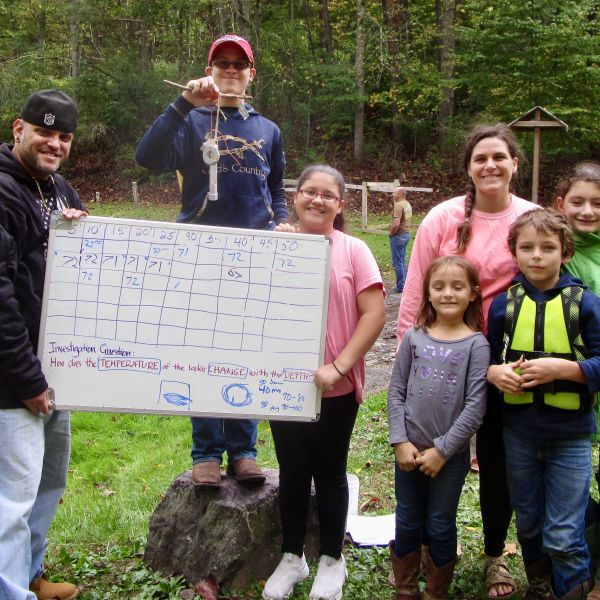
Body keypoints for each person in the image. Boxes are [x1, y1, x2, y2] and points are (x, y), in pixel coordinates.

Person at [135, 34, 289, 488]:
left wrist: (280, 223)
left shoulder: (267, 129)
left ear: (251, 74)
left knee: (245, 351)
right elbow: (147, 157)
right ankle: (205, 451)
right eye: (221, 63)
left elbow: (276, 187)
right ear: (209, 69)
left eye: (238, 65)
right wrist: (182, 103)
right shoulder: (191, 120)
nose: (229, 70)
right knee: (199, 351)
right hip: (199, 254)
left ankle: (243, 450)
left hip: (253, 256)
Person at [395, 123, 538, 598]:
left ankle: (495, 554)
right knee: (427, 455)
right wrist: (406, 352)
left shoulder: (530, 218)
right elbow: (417, 286)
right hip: (439, 359)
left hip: (504, 361)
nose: (490, 165)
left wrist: (510, 365)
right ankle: (415, 553)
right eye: (480, 158)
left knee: (497, 464)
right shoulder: (442, 218)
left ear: (515, 163)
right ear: (468, 168)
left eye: (499, 157)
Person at [262, 164, 386, 600]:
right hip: (283, 386)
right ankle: (292, 557)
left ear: (340, 203)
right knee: (292, 472)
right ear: (295, 197)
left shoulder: (353, 250)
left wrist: (339, 365)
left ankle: (333, 559)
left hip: (335, 386)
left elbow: (374, 314)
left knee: (330, 471)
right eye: (308, 192)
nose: (316, 200)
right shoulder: (276, 245)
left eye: (326, 195)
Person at [0, 89, 87, 600]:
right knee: (11, 497)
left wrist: (82, 233)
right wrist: (28, 378)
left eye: (64, 137)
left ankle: (29, 575)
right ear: (18, 130)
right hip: (15, 380)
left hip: (60, 370)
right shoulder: (4, 192)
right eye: (44, 133)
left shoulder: (61, 190)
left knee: (45, 486)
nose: (53, 144)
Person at [487, 208, 600, 600]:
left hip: (570, 437)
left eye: (547, 247)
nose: (537, 255)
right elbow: (486, 358)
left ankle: (572, 587)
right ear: (514, 253)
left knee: (564, 532)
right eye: (527, 247)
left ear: (565, 253)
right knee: (530, 522)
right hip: (519, 434)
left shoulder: (585, 304)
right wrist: (493, 373)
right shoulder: (503, 306)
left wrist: (563, 370)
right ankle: (541, 585)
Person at [388, 256, 488, 600]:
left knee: (440, 523)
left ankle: (435, 592)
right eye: (439, 286)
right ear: (427, 293)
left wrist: (443, 450)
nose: (448, 293)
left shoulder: (477, 345)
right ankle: (405, 588)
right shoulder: (414, 337)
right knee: (407, 519)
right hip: (409, 453)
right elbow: (396, 391)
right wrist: (399, 441)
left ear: (473, 294)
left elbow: (475, 407)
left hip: (450, 458)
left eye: (458, 286)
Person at [553, 162, 600, 599]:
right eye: (578, 202)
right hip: (572, 395)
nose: (587, 211)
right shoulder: (552, 254)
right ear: (560, 205)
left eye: (597, 204)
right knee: (573, 490)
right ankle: (580, 568)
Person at [389, 186, 412, 293]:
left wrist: (391, 233)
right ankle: (405, 284)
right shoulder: (407, 204)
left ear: (401, 194)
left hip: (398, 236)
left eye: (395, 193)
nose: (393, 195)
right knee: (402, 261)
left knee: (397, 262)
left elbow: (396, 224)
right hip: (406, 234)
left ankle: (401, 287)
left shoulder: (398, 206)